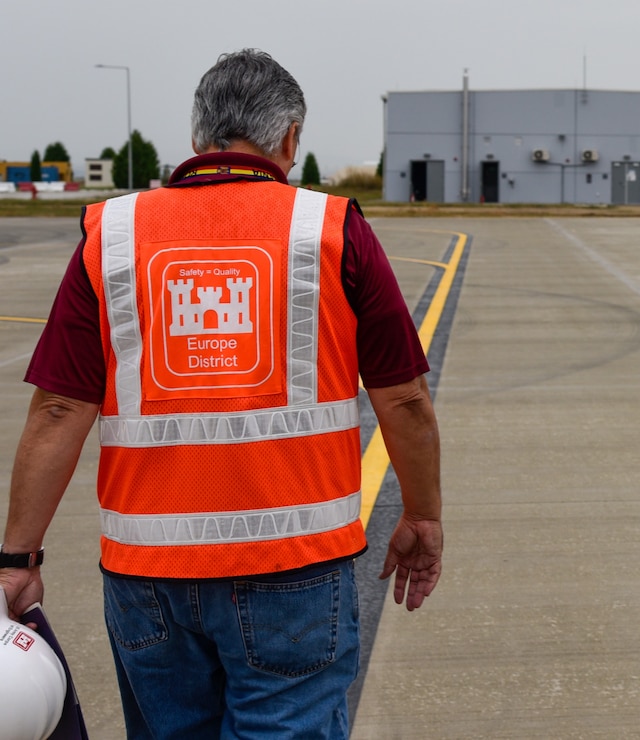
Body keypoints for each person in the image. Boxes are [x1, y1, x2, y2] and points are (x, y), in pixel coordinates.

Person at [0, 49, 442, 738]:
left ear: (196, 137)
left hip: (148, 577)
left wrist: (17, 559)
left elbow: (60, 410)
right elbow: (406, 402)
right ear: (290, 139)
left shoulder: (110, 235)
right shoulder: (332, 230)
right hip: (294, 568)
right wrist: (421, 515)